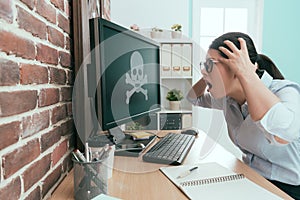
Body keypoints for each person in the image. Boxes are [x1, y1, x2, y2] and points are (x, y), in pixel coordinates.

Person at [187, 32, 300, 199]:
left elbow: (283, 134)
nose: (203, 69)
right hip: (252, 177)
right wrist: (207, 74)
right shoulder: (227, 99)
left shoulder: (285, 91)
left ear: (237, 68)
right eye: (204, 64)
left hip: (288, 189)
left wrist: (246, 74)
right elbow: (192, 98)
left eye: (211, 64)